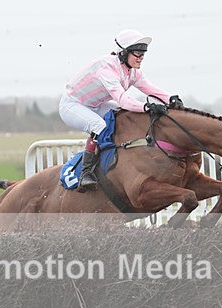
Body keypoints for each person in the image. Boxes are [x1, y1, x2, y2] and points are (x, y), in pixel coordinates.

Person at [59, 29, 184, 192]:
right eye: (137, 53)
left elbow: (150, 89)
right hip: (72, 105)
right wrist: (146, 106)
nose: (141, 57)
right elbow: (123, 100)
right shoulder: (107, 69)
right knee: (99, 126)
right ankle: (85, 173)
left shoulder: (132, 72)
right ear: (123, 53)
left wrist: (170, 98)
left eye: (143, 54)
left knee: (126, 116)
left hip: (95, 105)